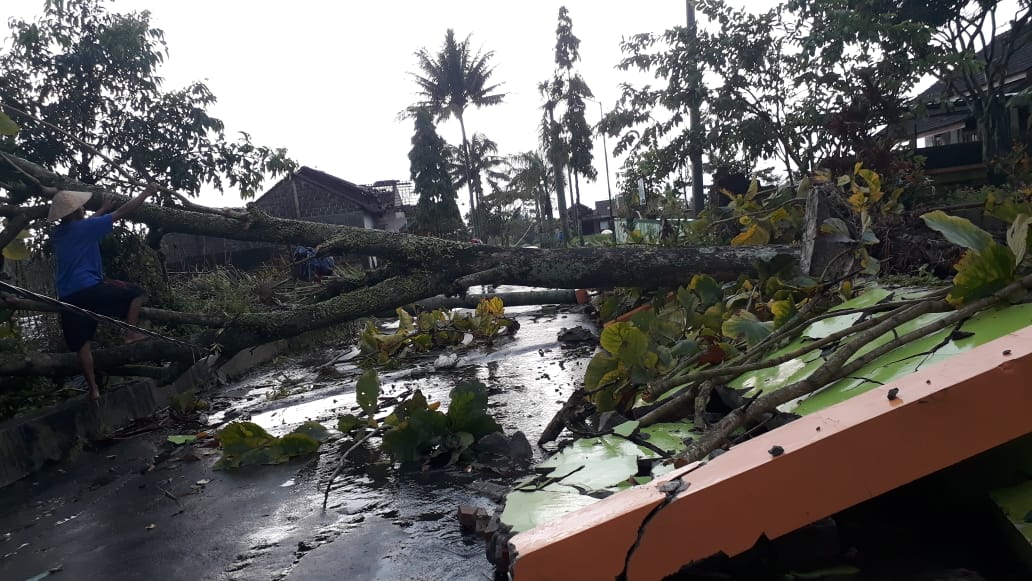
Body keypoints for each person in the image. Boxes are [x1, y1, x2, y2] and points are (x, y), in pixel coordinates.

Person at [48, 186, 156, 399]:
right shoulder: (86, 228)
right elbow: (122, 212)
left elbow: (85, 226)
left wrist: (102, 210)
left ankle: (93, 390)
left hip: (68, 296)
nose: (83, 210)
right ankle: (131, 333)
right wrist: (144, 194)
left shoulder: (58, 234)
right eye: (80, 207)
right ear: (75, 212)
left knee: (82, 345)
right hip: (90, 288)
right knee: (137, 293)